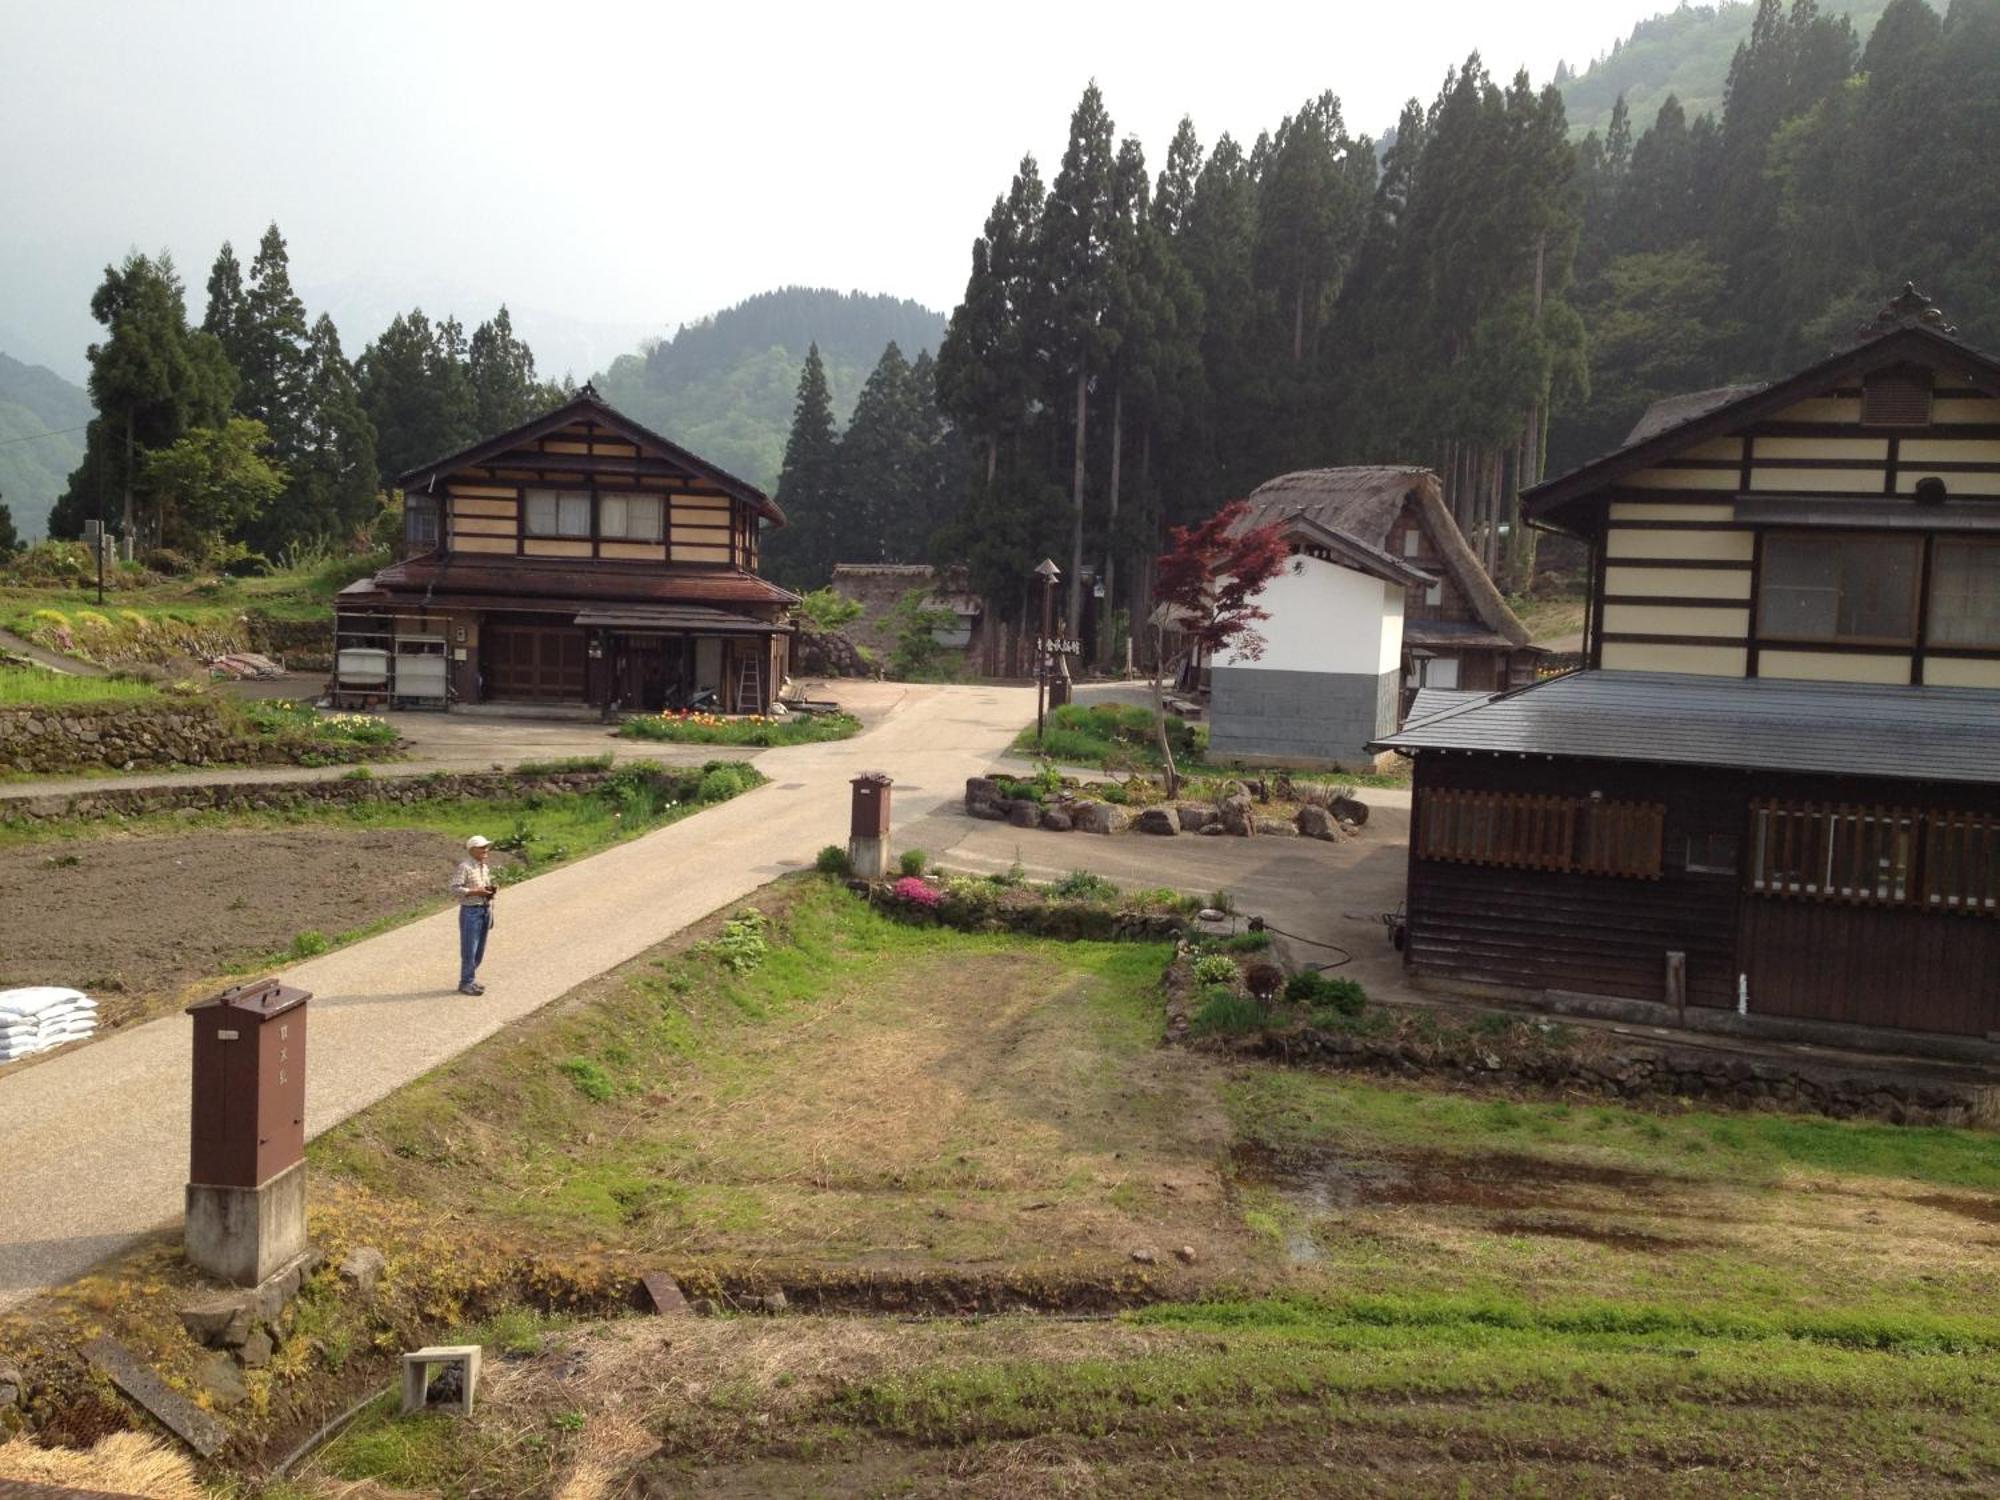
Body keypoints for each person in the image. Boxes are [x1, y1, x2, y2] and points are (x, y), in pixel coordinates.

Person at [450, 835, 497, 995]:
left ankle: (470, 979)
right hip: (470, 912)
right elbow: (455, 888)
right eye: (482, 847)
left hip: (484, 909)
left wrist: (489, 891)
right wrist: (476, 892)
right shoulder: (465, 867)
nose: (486, 850)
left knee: (479, 949)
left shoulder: (483, 866)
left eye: (487, 847)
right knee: (469, 949)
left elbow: (482, 887)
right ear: (472, 850)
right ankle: (466, 982)